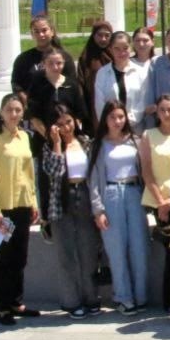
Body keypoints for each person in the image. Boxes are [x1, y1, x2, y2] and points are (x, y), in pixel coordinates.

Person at [0, 93, 40, 327]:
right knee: (1, 260)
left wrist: (33, 202)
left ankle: (16, 302)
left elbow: (29, 172)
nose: (13, 114)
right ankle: (3, 307)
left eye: (17, 110)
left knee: (19, 257)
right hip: (1, 208)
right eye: (9, 110)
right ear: (1, 112)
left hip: (22, 205)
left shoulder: (24, 136)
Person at [87, 100, 149, 315]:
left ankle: (140, 296)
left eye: (121, 117)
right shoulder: (98, 145)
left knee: (139, 247)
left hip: (134, 193)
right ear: (105, 119)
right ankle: (123, 297)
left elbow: (146, 171)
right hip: (111, 195)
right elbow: (93, 179)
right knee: (116, 250)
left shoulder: (135, 141)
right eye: (113, 117)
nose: (117, 121)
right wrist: (98, 210)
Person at [41, 106, 103, 319]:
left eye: (68, 122)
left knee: (88, 250)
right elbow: (55, 172)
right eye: (60, 124)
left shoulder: (86, 142)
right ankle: (72, 301)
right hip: (62, 199)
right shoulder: (49, 147)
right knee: (66, 254)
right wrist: (57, 143)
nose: (66, 127)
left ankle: (92, 298)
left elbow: (95, 171)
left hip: (84, 194)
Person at [139, 95, 170, 314]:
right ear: (156, 112)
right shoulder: (148, 135)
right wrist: (161, 203)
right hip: (158, 203)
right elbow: (146, 172)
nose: (166, 114)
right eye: (162, 110)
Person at [91, 31, 150, 136]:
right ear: (110, 49)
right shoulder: (102, 73)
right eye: (117, 48)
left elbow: (143, 101)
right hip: (110, 130)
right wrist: (112, 122)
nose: (121, 52)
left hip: (135, 130)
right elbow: (99, 104)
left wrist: (127, 121)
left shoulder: (140, 72)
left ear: (131, 48)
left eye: (125, 48)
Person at [26, 47, 89, 137]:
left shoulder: (72, 85)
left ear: (64, 63)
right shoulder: (36, 85)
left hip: (69, 136)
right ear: (43, 64)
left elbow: (79, 114)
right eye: (50, 63)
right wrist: (49, 137)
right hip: (44, 137)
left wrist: (68, 134)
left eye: (59, 63)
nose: (55, 67)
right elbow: (33, 116)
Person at [12, 14, 77, 95]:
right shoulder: (23, 59)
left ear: (52, 32)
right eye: (36, 31)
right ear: (32, 34)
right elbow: (16, 84)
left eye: (44, 30)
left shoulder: (64, 57)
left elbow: (72, 84)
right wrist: (25, 99)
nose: (41, 34)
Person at [77, 20, 113, 104]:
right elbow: (80, 84)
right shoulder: (86, 58)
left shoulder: (116, 55)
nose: (103, 39)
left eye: (107, 35)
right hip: (92, 102)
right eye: (99, 35)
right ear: (93, 36)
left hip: (114, 104)